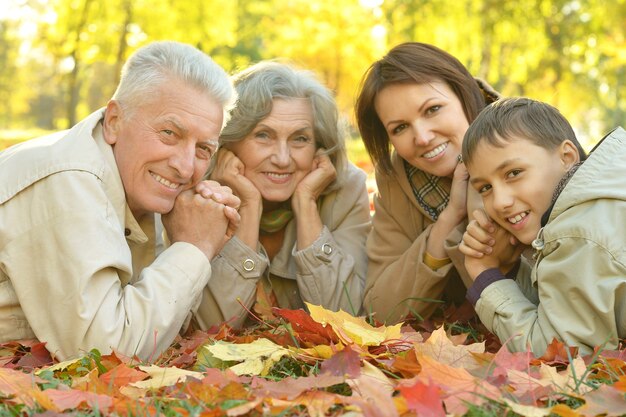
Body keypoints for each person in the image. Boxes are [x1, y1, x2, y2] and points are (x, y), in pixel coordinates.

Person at [0, 41, 240, 360]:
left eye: (203, 149)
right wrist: (194, 248)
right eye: (169, 133)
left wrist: (192, 236)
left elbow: (169, 330)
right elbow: (105, 354)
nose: (185, 167)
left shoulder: (141, 184)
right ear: (114, 121)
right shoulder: (69, 181)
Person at [193, 61, 371, 329]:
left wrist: (307, 204)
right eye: (263, 135)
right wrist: (249, 207)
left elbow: (344, 319)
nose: (282, 158)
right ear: (229, 141)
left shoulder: (345, 190)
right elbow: (211, 327)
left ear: (319, 148)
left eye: (300, 139)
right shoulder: (200, 191)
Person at [457, 97, 626, 356]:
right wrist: (509, 267)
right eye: (486, 188)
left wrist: (486, 274)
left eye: (513, 173)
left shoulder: (579, 234)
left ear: (567, 157)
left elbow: (561, 353)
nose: (500, 202)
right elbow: (565, 307)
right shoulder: (604, 195)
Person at [354, 42, 500, 324]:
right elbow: (381, 310)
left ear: (464, 95)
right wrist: (449, 220)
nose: (421, 137)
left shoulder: (531, 144)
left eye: (432, 109)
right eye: (400, 128)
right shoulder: (398, 180)